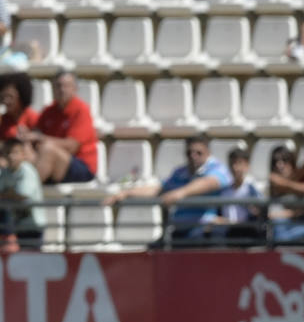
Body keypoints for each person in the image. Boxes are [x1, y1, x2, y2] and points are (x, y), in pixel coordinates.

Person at [105, 134, 233, 245]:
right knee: (153, 250)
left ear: (208, 152)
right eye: (190, 152)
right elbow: (159, 189)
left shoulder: (217, 168)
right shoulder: (180, 172)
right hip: (178, 230)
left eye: (198, 152)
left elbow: (210, 182)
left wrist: (180, 193)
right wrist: (126, 193)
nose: (193, 156)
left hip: (203, 230)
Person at [29, 71, 98, 184]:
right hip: (57, 164)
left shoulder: (81, 110)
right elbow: (35, 138)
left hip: (82, 166)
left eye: (66, 85)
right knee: (22, 153)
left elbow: (72, 146)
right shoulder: (48, 111)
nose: (62, 89)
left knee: (47, 149)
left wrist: (40, 138)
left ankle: (28, 194)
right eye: (58, 86)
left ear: (75, 88)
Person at [210, 147, 264, 244]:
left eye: (239, 163)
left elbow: (259, 213)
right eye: (232, 163)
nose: (235, 168)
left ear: (247, 166)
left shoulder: (252, 190)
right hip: (227, 234)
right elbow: (217, 215)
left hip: (247, 233)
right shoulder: (222, 191)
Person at [0, 136, 43, 250]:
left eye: (15, 152)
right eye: (8, 152)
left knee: (31, 258)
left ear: (23, 154)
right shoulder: (4, 172)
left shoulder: (27, 170)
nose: (11, 156)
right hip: (16, 225)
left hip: (32, 225)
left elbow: (22, 195)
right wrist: (10, 193)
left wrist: (6, 194)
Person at [0, 73, 36, 140]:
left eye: (10, 96)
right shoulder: (4, 119)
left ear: (21, 95)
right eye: (2, 97)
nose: (5, 101)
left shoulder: (32, 117)